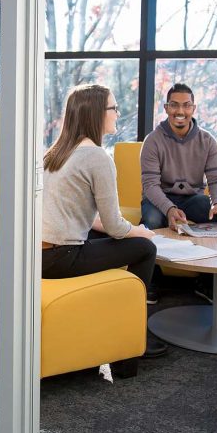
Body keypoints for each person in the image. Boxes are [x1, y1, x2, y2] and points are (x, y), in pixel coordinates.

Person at [42, 83, 167, 358]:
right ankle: (130, 334)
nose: (117, 114)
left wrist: (128, 231)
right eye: (113, 108)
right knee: (145, 249)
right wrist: (140, 232)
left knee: (110, 239)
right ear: (97, 113)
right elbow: (115, 226)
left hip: (38, 256)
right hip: (62, 257)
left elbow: (82, 217)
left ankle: (109, 317)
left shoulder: (56, 152)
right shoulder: (97, 157)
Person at [139, 83, 217, 232]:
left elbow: (216, 179)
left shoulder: (207, 141)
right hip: (158, 198)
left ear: (193, 108)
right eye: (174, 105)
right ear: (166, 108)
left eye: (186, 105)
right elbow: (150, 185)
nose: (180, 111)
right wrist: (169, 208)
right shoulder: (152, 141)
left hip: (192, 199)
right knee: (152, 221)